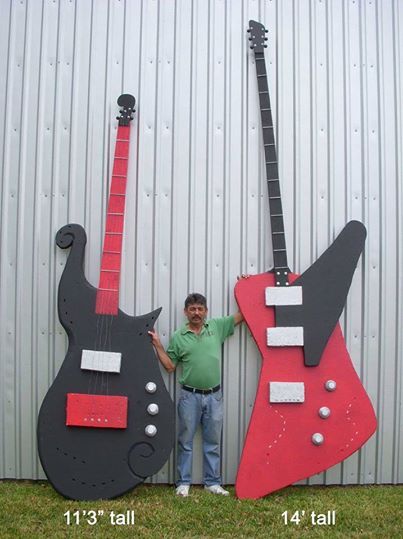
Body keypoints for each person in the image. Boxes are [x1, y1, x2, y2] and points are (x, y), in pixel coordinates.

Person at [148, 292, 244, 497]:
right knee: (185, 441)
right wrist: (157, 345)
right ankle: (183, 483)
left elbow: (242, 314)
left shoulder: (217, 327)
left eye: (200, 309)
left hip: (214, 396)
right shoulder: (178, 337)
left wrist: (245, 285)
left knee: (213, 441)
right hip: (189, 397)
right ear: (186, 312)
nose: (196, 313)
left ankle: (213, 483)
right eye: (192, 309)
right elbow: (170, 367)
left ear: (206, 311)